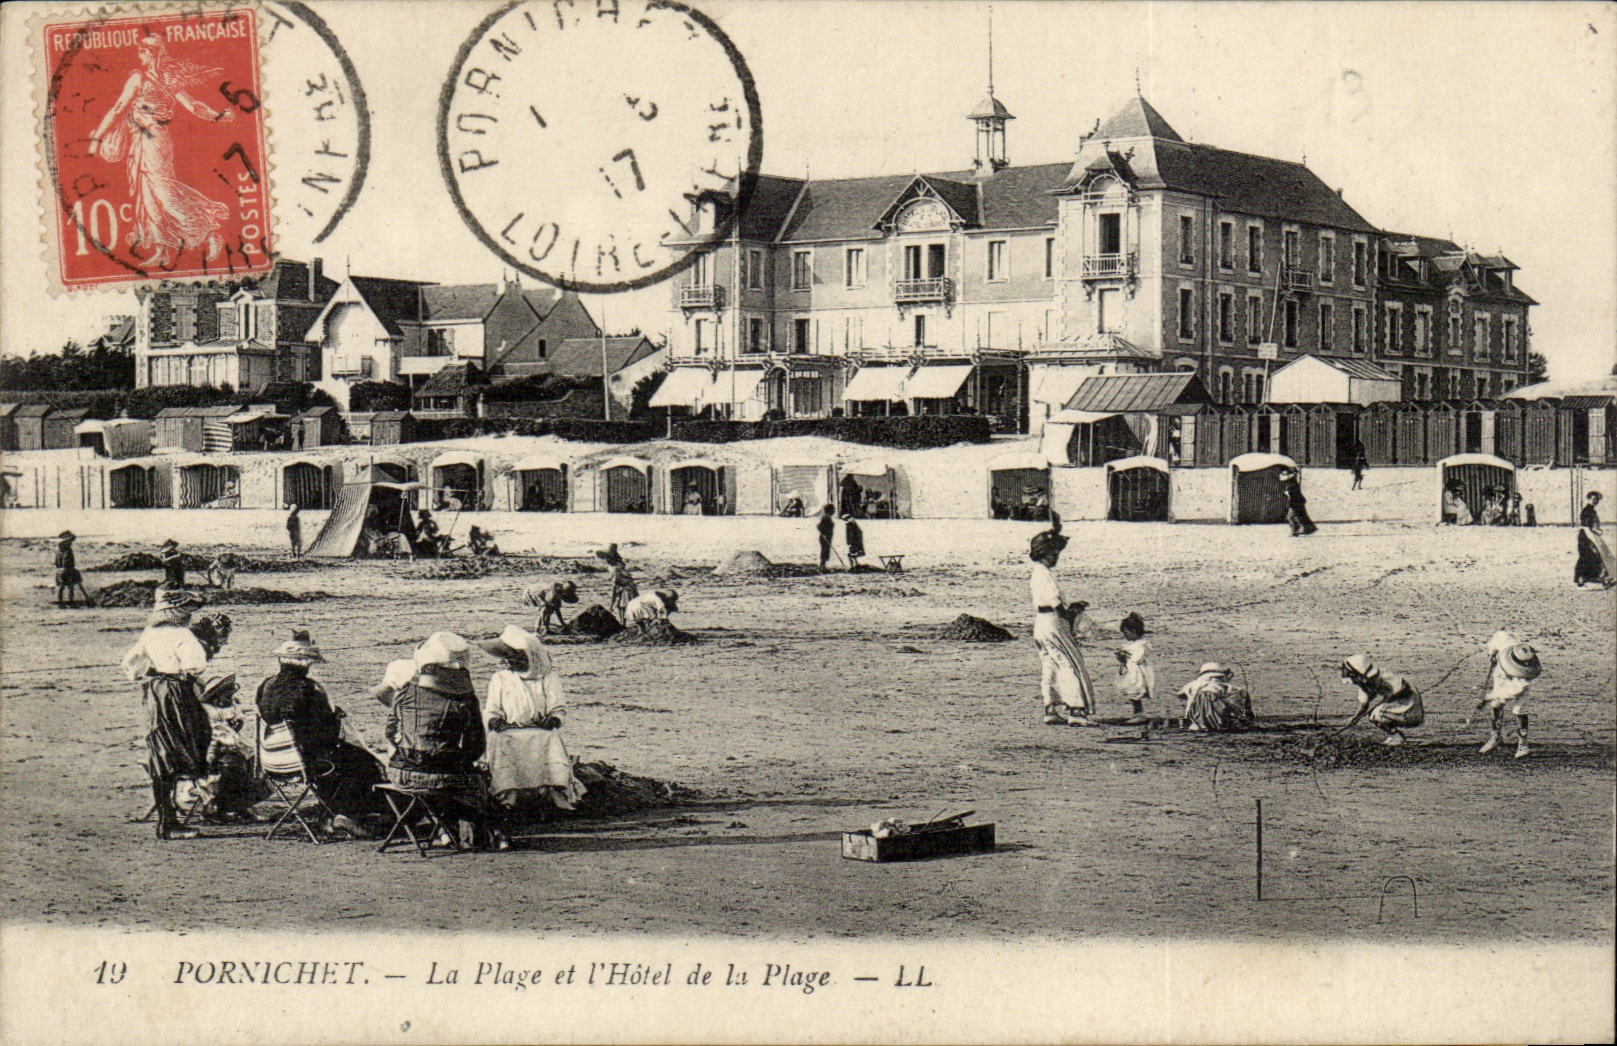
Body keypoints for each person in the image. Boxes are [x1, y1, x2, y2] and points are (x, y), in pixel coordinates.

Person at [86, 33, 235, 268]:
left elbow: (191, 105)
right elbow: (119, 108)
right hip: (139, 142)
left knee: (164, 195)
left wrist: (97, 137)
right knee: (148, 197)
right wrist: (216, 116)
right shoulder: (146, 78)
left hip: (155, 140)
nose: (139, 56)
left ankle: (209, 231)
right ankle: (162, 250)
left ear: (151, 53)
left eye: (142, 51)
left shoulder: (153, 79)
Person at [256, 629, 388, 837]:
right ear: (305, 663)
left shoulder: (266, 686)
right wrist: (336, 719)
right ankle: (347, 813)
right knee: (361, 759)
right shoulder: (309, 689)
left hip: (272, 759)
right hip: (301, 760)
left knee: (343, 757)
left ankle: (334, 811)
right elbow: (326, 732)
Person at [384, 632, 506, 850]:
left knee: (445, 778)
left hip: (402, 774)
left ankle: (442, 830)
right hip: (446, 778)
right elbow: (476, 747)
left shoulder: (406, 692)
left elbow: (390, 733)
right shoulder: (466, 700)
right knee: (473, 778)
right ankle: (471, 833)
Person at [120, 588, 213, 839]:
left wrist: (147, 673)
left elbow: (130, 662)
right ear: (179, 613)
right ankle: (174, 818)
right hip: (177, 693)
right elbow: (195, 665)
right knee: (192, 739)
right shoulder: (183, 634)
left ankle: (166, 819)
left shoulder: (150, 633)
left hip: (154, 693)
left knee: (161, 751)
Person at [476, 626, 586, 811]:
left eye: (514, 656)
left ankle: (556, 794)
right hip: (508, 731)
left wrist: (552, 720)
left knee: (551, 740)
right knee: (501, 741)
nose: (508, 661)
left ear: (528, 656)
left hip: (540, 731)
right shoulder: (500, 678)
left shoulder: (546, 678)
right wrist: (496, 721)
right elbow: (491, 709)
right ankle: (508, 797)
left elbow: (558, 708)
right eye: (507, 656)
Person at [1028, 512, 1096, 726]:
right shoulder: (1044, 574)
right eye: (1054, 553)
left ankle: (1050, 708)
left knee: (1050, 664)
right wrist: (1074, 611)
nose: (1056, 557)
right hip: (1053, 622)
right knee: (1069, 663)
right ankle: (1076, 711)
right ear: (1045, 553)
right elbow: (1056, 604)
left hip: (1041, 623)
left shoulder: (1038, 572)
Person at [1470, 631, 1541, 758]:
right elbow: (1498, 635)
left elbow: (1505, 694)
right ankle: (1495, 737)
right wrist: (1492, 653)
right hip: (1500, 678)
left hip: (1513, 689)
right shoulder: (1508, 644)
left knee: (1519, 709)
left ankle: (1523, 745)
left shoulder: (1524, 679)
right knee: (1496, 705)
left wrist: (1487, 698)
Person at [1338, 653, 1424, 746]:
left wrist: (1387, 699)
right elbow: (1364, 705)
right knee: (1374, 715)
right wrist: (1355, 718)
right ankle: (1393, 736)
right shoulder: (1365, 685)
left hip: (1410, 704)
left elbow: (1404, 688)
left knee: (1377, 714)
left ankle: (1397, 737)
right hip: (1400, 704)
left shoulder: (1386, 677)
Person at [1176, 663, 1256, 733]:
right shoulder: (1234, 688)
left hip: (1200, 718)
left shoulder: (1194, 684)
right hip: (1225, 715)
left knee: (1196, 725)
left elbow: (1179, 694)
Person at [1113, 611, 1156, 722]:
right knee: (1132, 693)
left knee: (1136, 691)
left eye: (1126, 632)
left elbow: (1138, 657)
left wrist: (1126, 655)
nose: (1125, 635)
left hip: (1139, 673)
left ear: (1134, 631)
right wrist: (1121, 656)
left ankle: (1139, 714)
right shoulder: (1128, 644)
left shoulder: (1143, 644)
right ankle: (1137, 713)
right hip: (1129, 672)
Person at [1574, 491, 1614, 589]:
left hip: (1589, 536)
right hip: (1586, 537)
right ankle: (1583, 580)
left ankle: (1600, 580)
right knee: (1590, 556)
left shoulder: (1591, 510)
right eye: (1593, 499)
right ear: (1588, 499)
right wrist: (1596, 531)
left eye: (1597, 500)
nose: (1595, 501)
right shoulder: (1587, 511)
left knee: (1591, 557)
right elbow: (1587, 525)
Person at [596, 544, 639, 619]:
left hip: (627, 588)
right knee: (621, 606)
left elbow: (615, 586)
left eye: (607, 557)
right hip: (623, 586)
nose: (605, 560)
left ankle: (625, 623)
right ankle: (624, 622)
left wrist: (611, 604)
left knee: (623, 606)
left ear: (611, 558)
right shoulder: (613, 566)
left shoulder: (616, 568)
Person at [55, 530, 91, 608]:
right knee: (71, 586)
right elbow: (72, 538)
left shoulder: (59, 550)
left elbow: (57, 562)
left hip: (60, 569)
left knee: (62, 587)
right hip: (67, 569)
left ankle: (61, 603)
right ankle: (71, 602)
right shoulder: (66, 549)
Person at [1277, 467, 1317, 536]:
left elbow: (1294, 494)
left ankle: (1296, 530)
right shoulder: (1292, 482)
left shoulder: (1292, 483)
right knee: (1301, 516)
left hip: (1295, 502)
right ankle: (1309, 528)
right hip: (1297, 502)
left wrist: (1288, 493)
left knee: (1291, 517)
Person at [817, 503, 836, 572]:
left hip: (828, 537)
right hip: (825, 537)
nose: (834, 511)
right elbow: (819, 526)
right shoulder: (826, 517)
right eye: (833, 510)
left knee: (826, 551)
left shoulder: (827, 517)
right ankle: (822, 566)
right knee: (824, 551)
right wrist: (823, 533)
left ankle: (823, 566)